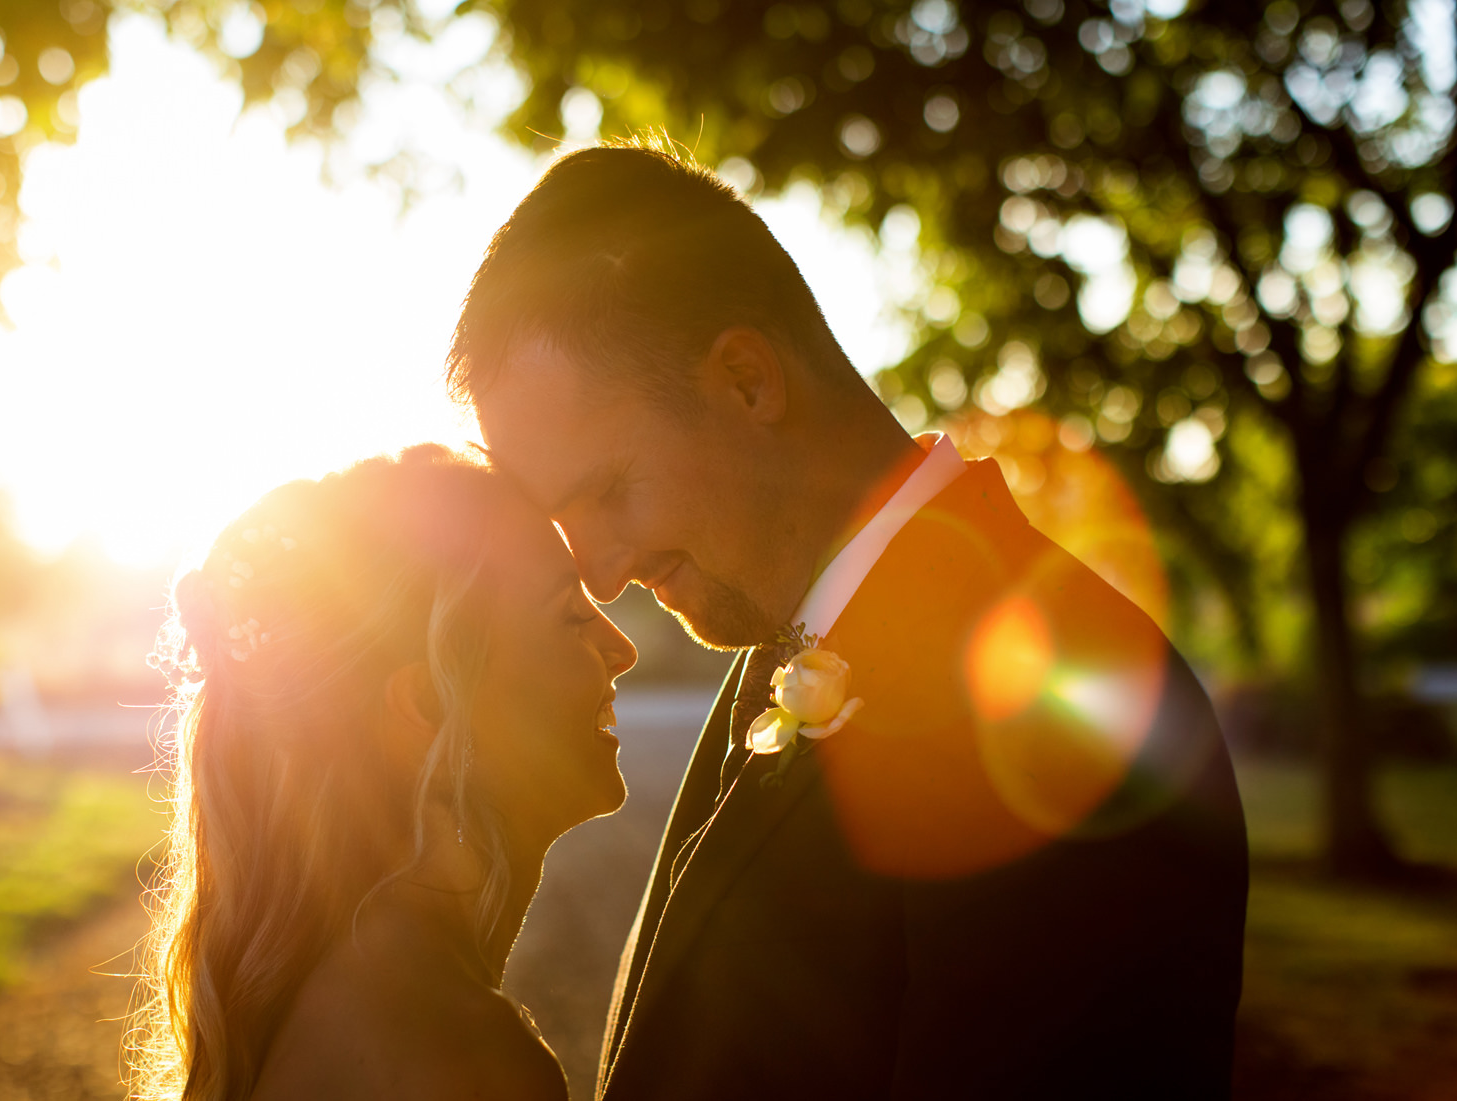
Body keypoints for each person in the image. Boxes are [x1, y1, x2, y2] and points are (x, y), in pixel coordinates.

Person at [451, 141, 1249, 1099]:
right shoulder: (779, 638)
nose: (601, 571)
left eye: (611, 490)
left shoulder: (1073, 715)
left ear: (748, 380)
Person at [129, 445, 637, 1100]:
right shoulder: (461, 1062)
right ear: (426, 706)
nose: (620, 650)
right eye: (571, 616)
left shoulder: (326, 994)